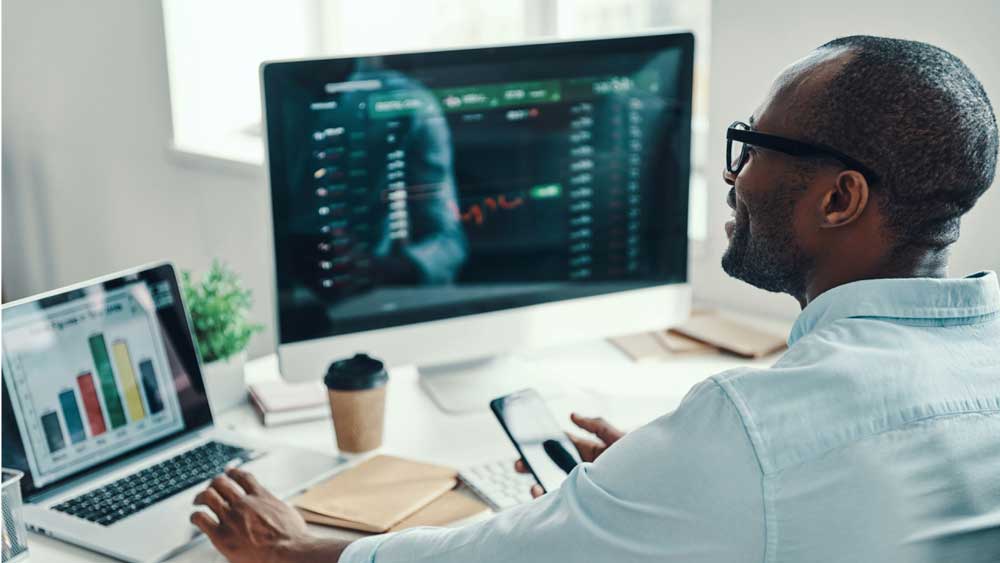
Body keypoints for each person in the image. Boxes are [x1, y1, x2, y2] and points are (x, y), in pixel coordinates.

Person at [190, 35, 1000, 562]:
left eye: (751, 148)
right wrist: (674, 479)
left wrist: (298, 550)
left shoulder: (750, 428)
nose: (733, 175)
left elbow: (508, 556)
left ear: (840, 198)